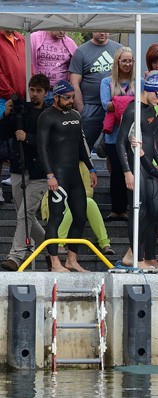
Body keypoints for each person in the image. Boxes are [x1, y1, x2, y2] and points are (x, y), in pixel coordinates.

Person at [37, 80, 98, 272]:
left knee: (80, 216)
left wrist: (92, 168)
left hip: (74, 175)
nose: (71, 101)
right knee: (56, 217)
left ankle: (71, 259)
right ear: (56, 97)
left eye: (72, 97)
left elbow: (82, 144)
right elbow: (42, 148)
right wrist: (49, 175)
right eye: (67, 98)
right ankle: (54, 262)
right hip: (58, 174)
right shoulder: (47, 117)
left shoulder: (75, 115)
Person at [117, 73, 158, 271]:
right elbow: (120, 142)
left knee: (155, 210)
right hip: (134, 166)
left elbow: (150, 142)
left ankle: (150, 256)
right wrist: (126, 172)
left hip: (148, 166)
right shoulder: (133, 110)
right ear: (147, 89)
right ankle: (134, 256)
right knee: (138, 211)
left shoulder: (152, 109)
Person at [0, 75, 50, 271]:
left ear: (46, 92)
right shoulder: (22, 111)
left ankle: (16, 255)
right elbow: (3, 134)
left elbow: (50, 142)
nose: (34, 94)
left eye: (38, 90)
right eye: (32, 89)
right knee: (26, 215)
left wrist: (27, 138)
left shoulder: (49, 114)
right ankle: (51, 249)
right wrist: (7, 114)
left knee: (25, 214)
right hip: (18, 168)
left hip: (40, 172)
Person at [67, 32, 122, 152]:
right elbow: (74, 83)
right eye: (99, 30)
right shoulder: (81, 52)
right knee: (84, 149)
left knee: (114, 150)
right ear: (92, 30)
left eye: (105, 30)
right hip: (91, 107)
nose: (102, 33)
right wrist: (83, 110)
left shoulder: (119, 49)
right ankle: (87, 171)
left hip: (114, 107)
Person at [100, 47, 136, 222]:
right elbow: (106, 105)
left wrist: (118, 101)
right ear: (117, 62)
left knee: (132, 171)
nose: (128, 64)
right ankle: (117, 208)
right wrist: (130, 102)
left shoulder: (139, 82)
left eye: (130, 61)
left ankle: (130, 206)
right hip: (113, 136)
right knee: (116, 172)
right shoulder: (106, 82)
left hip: (133, 135)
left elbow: (142, 105)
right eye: (124, 60)